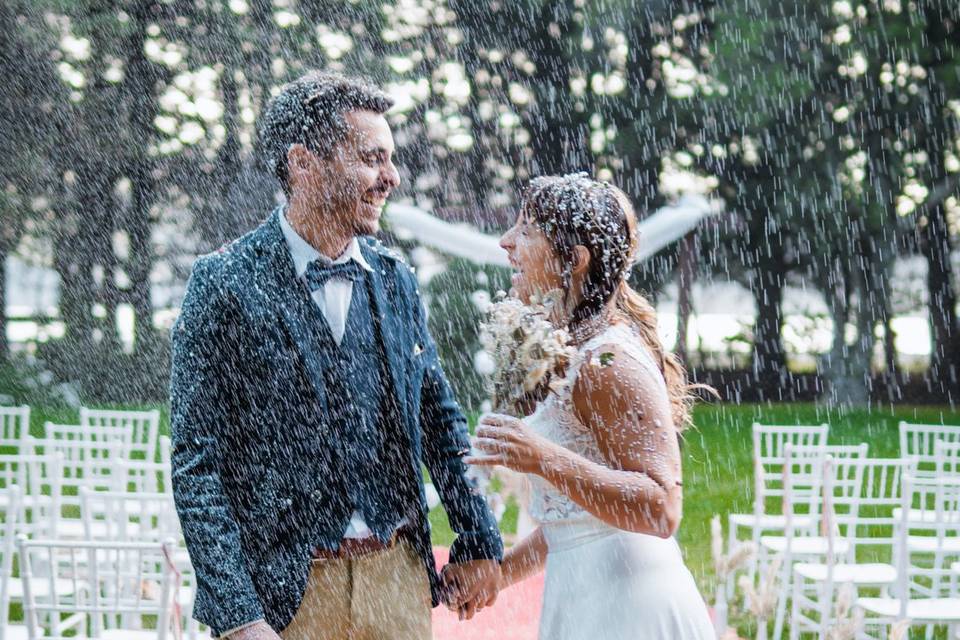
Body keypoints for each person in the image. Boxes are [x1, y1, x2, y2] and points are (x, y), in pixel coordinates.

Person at [170, 71, 502, 640]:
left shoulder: (397, 280)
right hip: (283, 596)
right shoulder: (222, 284)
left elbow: (440, 421)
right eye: (372, 158)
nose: (391, 178)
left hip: (395, 578)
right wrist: (236, 615)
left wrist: (478, 538)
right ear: (304, 163)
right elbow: (196, 464)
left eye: (390, 159)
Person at [466, 173, 714, 639]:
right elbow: (579, 517)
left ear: (574, 260)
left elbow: (661, 507)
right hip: (585, 595)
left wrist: (540, 457)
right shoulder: (577, 351)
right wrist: (500, 573)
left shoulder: (608, 359)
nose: (505, 242)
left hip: (630, 608)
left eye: (526, 231)